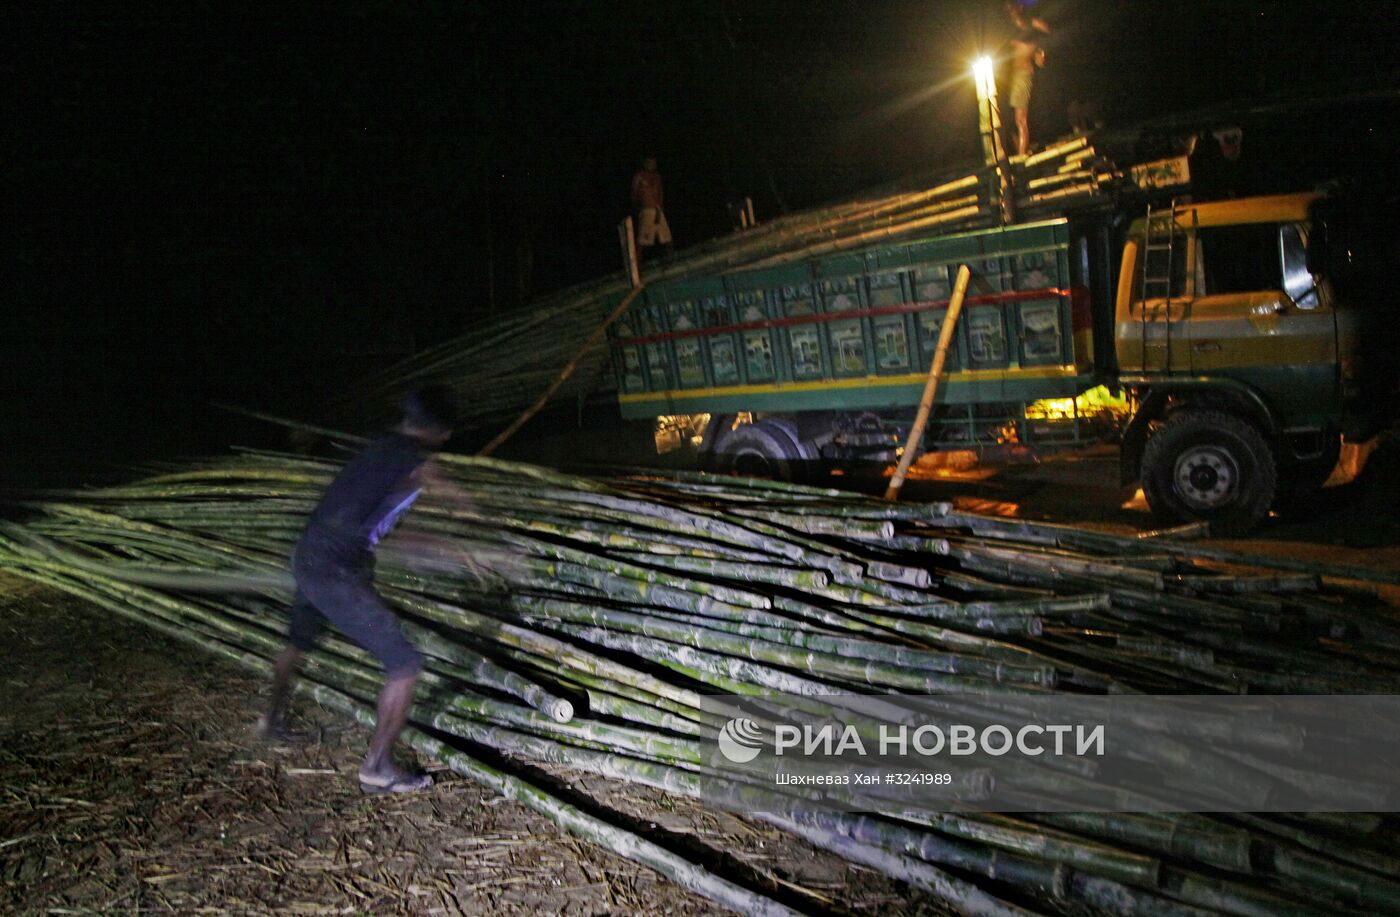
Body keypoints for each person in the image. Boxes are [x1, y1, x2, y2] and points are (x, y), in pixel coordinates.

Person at [260, 385, 469, 794]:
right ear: (441, 434)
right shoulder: (414, 461)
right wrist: (467, 530)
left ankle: (270, 720)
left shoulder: (384, 446)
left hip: (309, 556)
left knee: (297, 641)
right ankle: (377, 766)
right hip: (335, 570)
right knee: (405, 663)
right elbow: (427, 505)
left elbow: (382, 522)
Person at [1005, 2, 1051, 157]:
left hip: (1023, 74)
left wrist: (1040, 51)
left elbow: (1048, 32)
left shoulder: (1032, 24)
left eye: (1013, 7)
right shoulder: (1009, 28)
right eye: (1009, 9)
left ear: (1020, 8)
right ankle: (1020, 153)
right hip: (1010, 76)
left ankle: (1022, 156)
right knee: (1009, 121)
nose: (1011, 11)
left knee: (1020, 119)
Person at [630, 156, 673, 258]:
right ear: (645, 163)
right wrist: (638, 209)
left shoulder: (657, 177)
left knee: (667, 239)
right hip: (646, 210)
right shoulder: (639, 177)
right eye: (650, 162)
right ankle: (636, 265)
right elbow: (634, 194)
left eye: (653, 163)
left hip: (658, 210)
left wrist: (661, 208)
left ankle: (671, 260)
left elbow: (660, 193)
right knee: (642, 241)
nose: (652, 165)